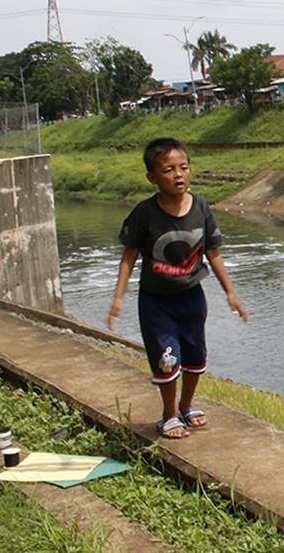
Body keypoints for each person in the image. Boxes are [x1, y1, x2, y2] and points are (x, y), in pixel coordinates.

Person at [107, 138, 249, 439]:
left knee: (196, 357)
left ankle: (187, 406)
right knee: (167, 358)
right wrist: (118, 297)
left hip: (192, 297)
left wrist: (231, 293)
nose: (178, 175)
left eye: (183, 167)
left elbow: (213, 252)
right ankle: (168, 414)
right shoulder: (145, 213)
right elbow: (130, 255)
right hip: (156, 302)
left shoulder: (200, 206)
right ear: (152, 177)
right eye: (168, 169)